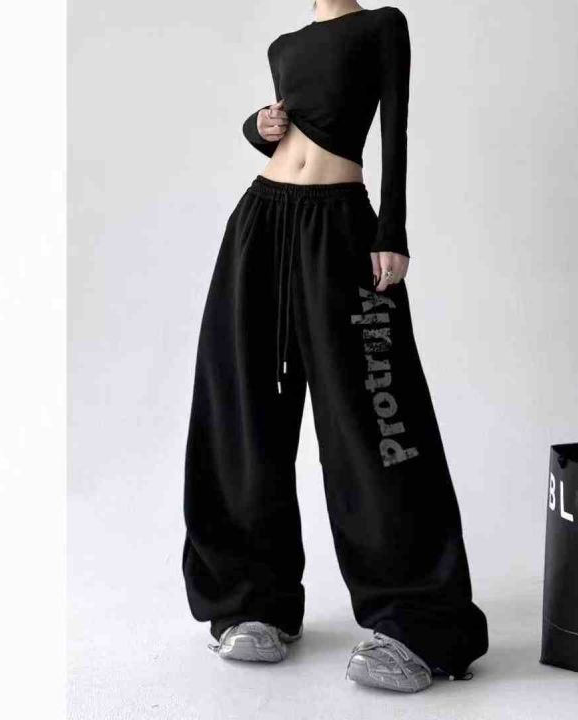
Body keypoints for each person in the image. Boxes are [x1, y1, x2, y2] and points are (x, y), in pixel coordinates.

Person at [181, 0, 488, 693]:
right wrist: (258, 126)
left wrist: (392, 230)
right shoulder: (283, 43)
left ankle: (416, 620)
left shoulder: (382, 26)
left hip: (342, 230)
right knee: (242, 410)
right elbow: (290, 124)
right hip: (259, 224)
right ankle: (251, 601)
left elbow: (394, 128)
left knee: (377, 422)